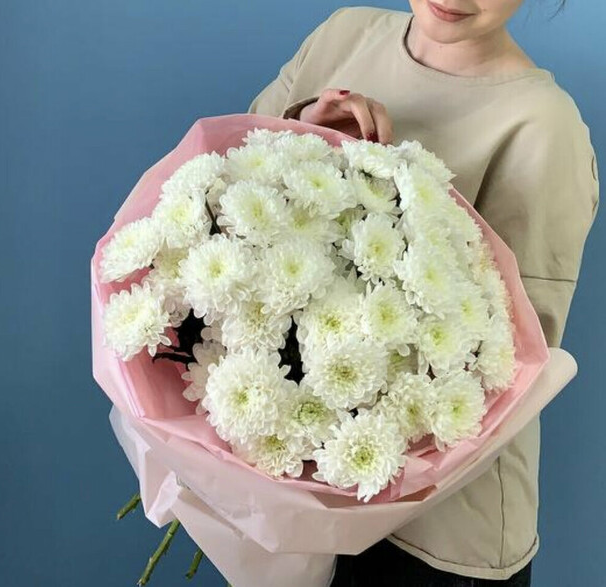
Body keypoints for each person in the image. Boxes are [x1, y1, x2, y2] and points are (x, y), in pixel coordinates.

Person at [247, 2, 600, 586]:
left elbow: (512, 359)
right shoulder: (344, 35)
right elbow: (227, 185)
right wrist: (307, 131)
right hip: (294, 490)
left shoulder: (543, 125)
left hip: (434, 531)